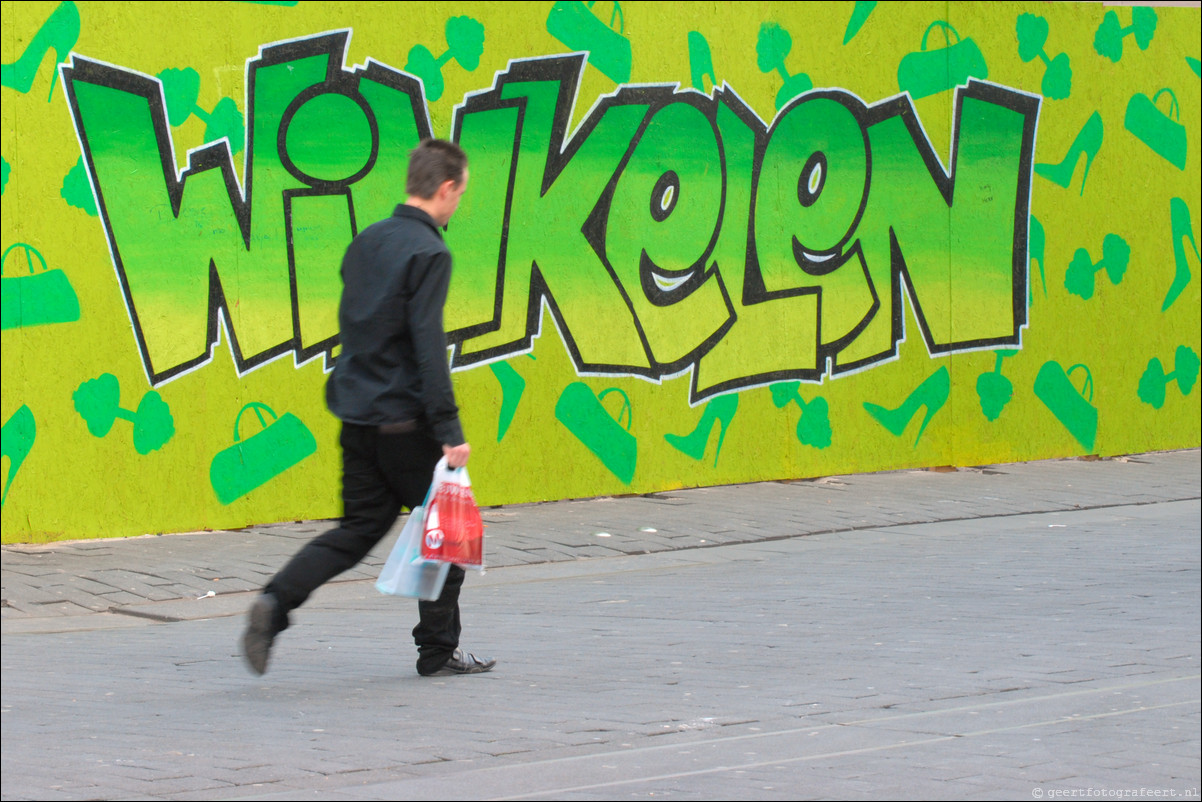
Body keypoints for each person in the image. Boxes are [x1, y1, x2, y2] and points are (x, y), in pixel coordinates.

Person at [241, 139, 495, 678]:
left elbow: (358, 324)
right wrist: (448, 429)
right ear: (446, 188)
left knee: (354, 532)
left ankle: (275, 601)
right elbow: (427, 342)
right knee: (446, 532)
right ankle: (437, 651)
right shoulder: (430, 252)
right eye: (460, 194)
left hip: (356, 415)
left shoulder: (367, 242)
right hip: (405, 423)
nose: (457, 206)